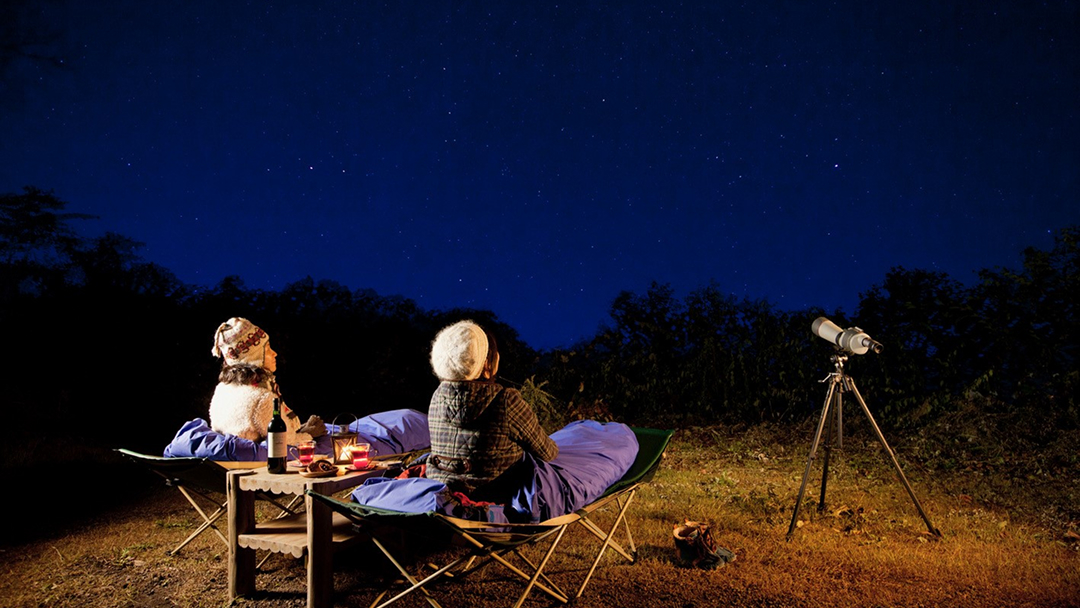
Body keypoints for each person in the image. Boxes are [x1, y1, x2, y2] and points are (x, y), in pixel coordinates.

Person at [426, 320, 559, 501]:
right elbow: (548, 453)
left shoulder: (436, 397)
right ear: (486, 364)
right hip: (492, 499)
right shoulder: (506, 400)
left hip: (442, 494)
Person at [208, 317, 322, 445]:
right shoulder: (262, 397)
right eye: (267, 349)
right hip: (255, 458)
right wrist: (310, 434)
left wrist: (302, 429)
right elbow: (283, 442)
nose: (274, 353)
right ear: (253, 357)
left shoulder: (222, 389)